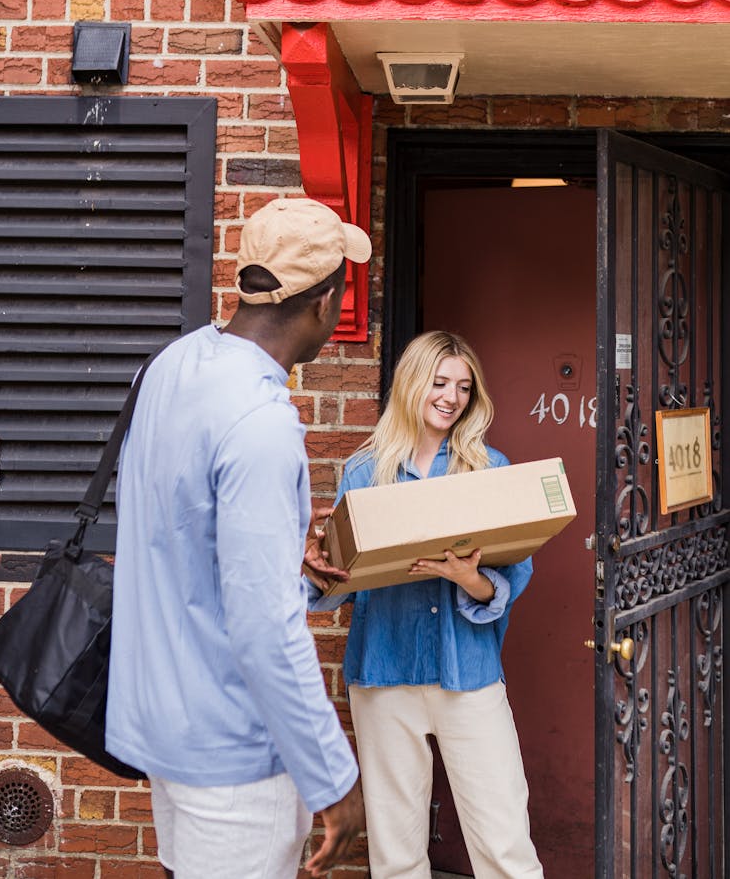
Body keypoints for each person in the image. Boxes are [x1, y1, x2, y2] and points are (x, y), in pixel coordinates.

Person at [106, 197, 370, 879]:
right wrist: (334, 777)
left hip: (166, 722)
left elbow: (176, 536)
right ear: (324, 303)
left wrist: (286, 566)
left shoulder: (170, 366)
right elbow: (264, 629)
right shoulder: (261, 421)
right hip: (234, 755)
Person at [307, 331, 544, 879]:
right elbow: (336, 584)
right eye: (439, 382)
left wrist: (469, 578)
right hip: (384, 671)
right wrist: (317, 566)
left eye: (463, 386)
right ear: (412, 384)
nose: (451, 396)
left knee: (504, 842)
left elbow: (513, 576)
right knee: (395, 852)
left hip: (469, 673)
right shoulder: (364, 473)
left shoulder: (489, 468)